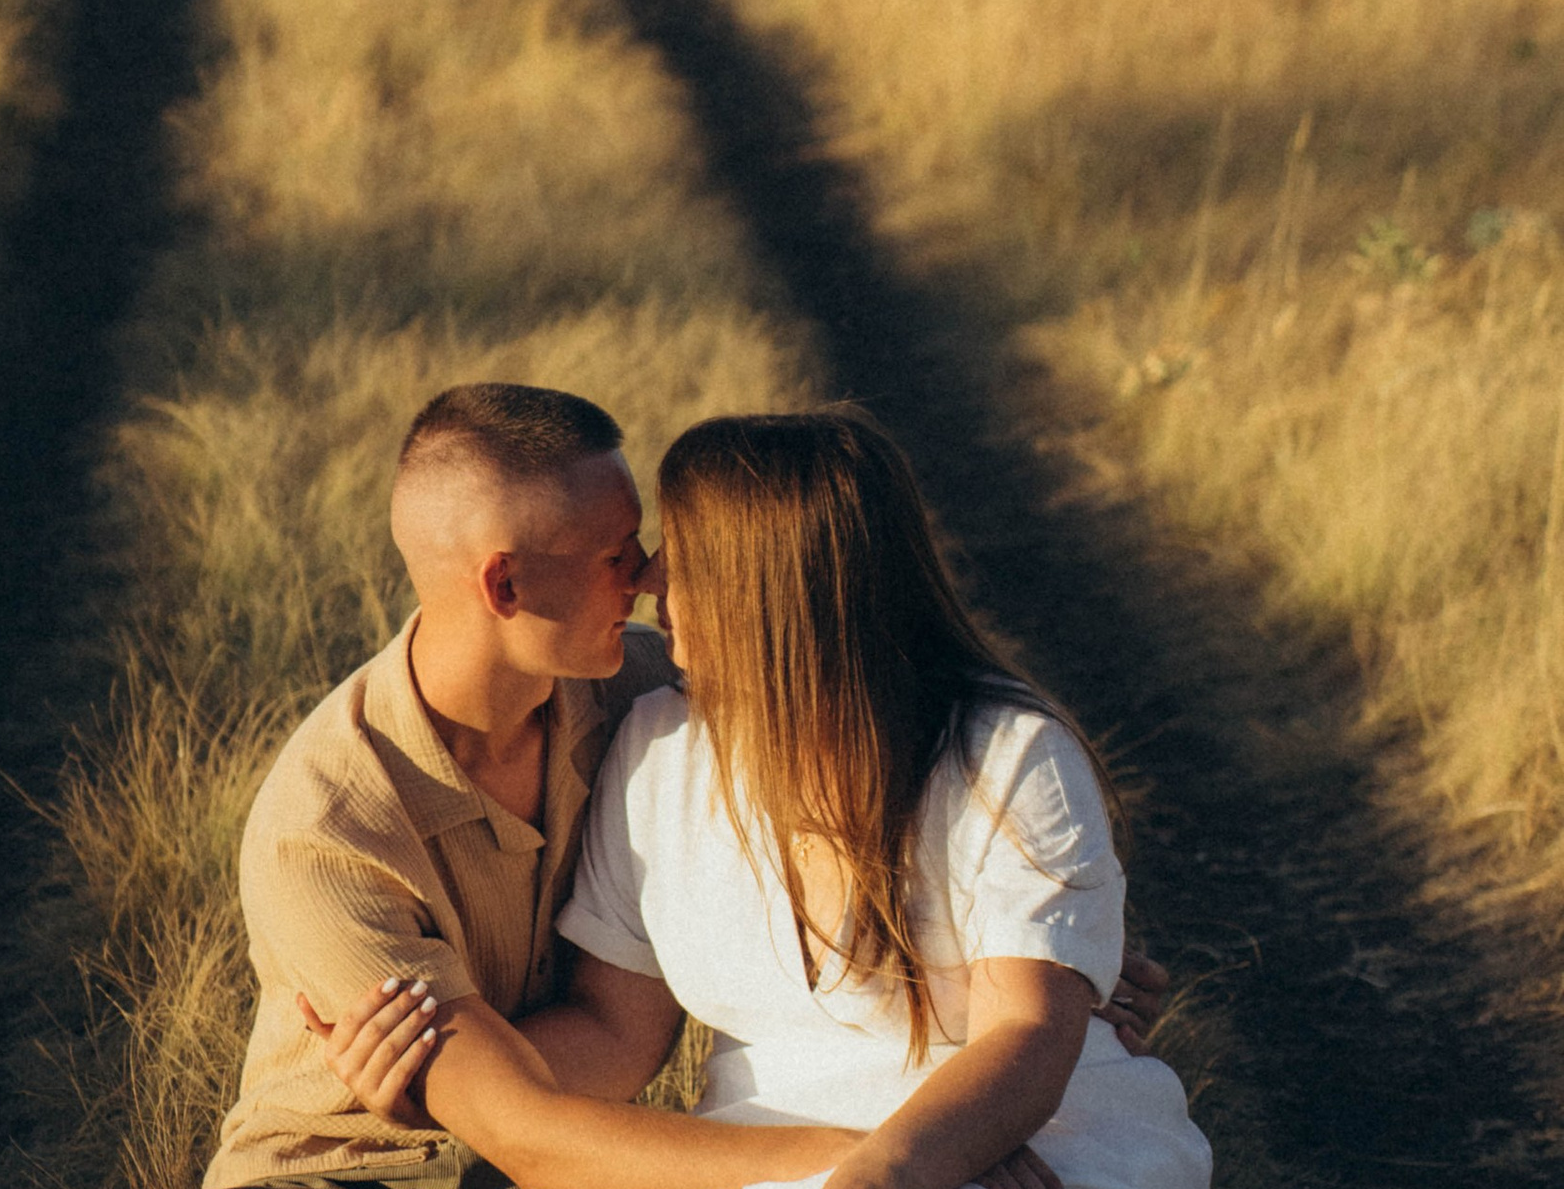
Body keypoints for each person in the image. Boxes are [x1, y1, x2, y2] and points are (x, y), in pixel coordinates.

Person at [212, 383, 1167, 1189]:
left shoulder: (633, 692)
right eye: (619, 555)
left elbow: (1008, 957)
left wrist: (1055, 949)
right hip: (354, 1161)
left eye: (664, 550)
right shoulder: (327, 828)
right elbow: (528, 1122)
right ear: (506, 588)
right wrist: (879, 1167)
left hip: (565, 1134)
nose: (651, 579)